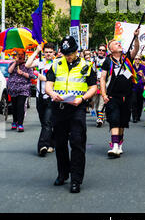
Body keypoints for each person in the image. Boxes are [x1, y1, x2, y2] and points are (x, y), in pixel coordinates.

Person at [45, 35, 97, 193]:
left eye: (71, 53)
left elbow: (93, 87)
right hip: (59, 108)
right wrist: (52, 94)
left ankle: (76, 180)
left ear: (76, 51)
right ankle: (63, 173)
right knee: (60, 143)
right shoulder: (56, 64)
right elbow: (48, 85)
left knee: (77, 143)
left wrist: (82, 99)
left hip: (77, 109)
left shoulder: (87, 66)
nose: (68, 57)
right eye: (65, 53)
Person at [100, 29, 140, 158]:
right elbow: (102, 78)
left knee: (123, 121)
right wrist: (104, 95)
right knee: (114, 119)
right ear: (111, 49)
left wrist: (136, 38)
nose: (119, 44)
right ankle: (115, 145)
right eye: (116, 44)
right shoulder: (107, 61)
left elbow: (136, 50)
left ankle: (119, 143)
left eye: (119, 43)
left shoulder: (127, 57)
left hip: (127, 95)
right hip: (113, 95)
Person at [25, 43, 56, 156]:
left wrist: (46, 79)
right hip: (39, 97)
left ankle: (42, 146)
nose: (48, 54)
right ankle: (52, 143)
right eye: (46, 52)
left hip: (51, 97)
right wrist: (37, 51)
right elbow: (28, 65)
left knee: (47, 121)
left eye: (50, 52)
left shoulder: (57, 64)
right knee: (44, 122)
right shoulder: (40, 62)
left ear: (54, 53)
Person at [7, 50, 35, 132]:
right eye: (18, 54)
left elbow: (31, 76)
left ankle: (20, 124)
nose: (20, 56)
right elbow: (9, 71)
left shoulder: (27, 65)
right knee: (14, 106)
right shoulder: (13, 64)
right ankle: (14, 122)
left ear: (24, 56)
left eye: (22, 54)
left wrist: (22, 73)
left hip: (23, 88)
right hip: (13, 88)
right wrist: (15, 63)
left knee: (20, 105)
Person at [93, 44, 107, 127]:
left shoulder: (107, 61)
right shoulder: (93, 60)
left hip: (103, 84)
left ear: (105, 52)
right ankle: (100, 116)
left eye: (103, 50)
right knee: (96, 101)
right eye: (100, 50)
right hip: (95, 84)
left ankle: (100, 118)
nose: (101, 51)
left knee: (102, 101)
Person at [132, 55, 145, 123]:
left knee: (140, 103)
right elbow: (126, 76)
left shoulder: (143, 67)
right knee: (134, 102)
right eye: (136, 58)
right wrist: (134, 74)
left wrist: (142, 75)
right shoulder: (131, 67)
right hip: (133, 87)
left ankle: (138, 116)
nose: (137, 60)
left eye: (138, 59)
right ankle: (134, 117)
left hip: (141, 87)